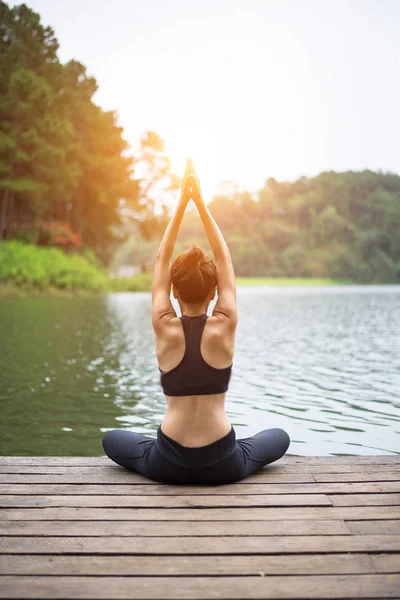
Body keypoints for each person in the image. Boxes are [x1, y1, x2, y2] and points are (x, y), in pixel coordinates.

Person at [102, 162, 290, 484]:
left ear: (173, 291)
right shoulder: (225, 322)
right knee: (280, 437)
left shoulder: (164, 325)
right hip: (224, 463)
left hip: (166, 462)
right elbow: (224, 258)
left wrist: (180, 204)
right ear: (215, 290)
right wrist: (201, 203)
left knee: (111, 440)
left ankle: (160, 451)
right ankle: (239, 450)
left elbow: (161, 258)